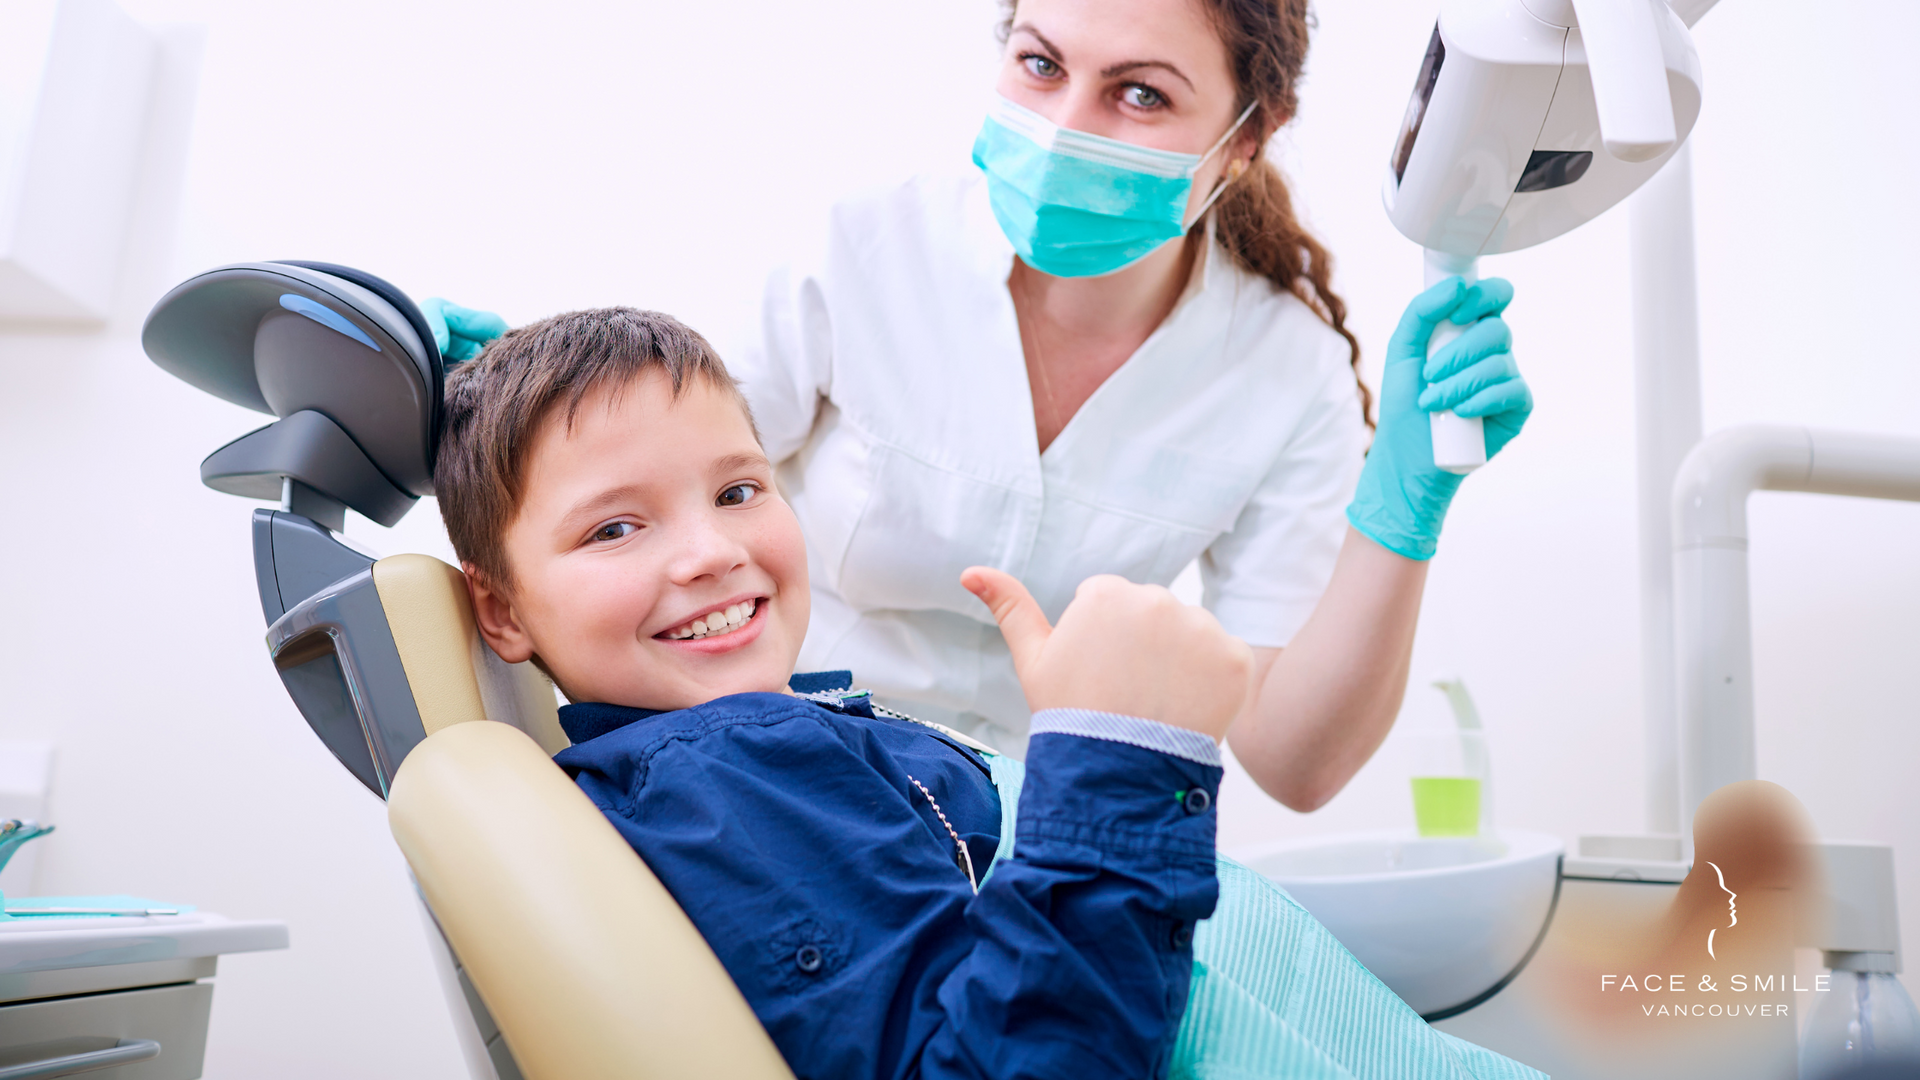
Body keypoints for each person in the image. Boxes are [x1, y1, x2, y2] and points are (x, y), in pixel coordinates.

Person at [423, 0, 1532, 815]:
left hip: (1040, 829)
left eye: (1140, 93)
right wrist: (485, 404)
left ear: (1244, 134)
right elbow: (651, 490)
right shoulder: (862, 253)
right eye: (1041, 64)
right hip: (786, 794)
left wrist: (1401, 521)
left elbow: (1294, 761)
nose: (1065, 127)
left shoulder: (1281, 371)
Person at [430, 306, 1540, 1079]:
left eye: (738, 488)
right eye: (617, 527)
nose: (711, 552)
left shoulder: (747, 753)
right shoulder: (736, 772)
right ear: (504, 610)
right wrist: (1116, 757)